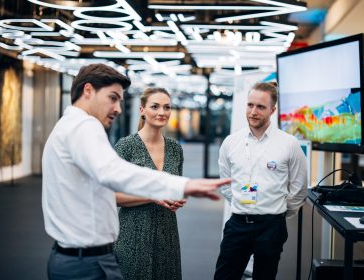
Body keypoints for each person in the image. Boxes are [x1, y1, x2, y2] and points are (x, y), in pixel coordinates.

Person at [41, 63, 231, 280]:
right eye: (112, 98)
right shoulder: (83, 127)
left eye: (119, 101)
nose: (118, 109)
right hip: (86, 262)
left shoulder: (67, 126)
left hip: (81, 258)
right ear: (88, 90)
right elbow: (114, 173)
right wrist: (181, 186)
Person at [213, 82, 307, 280]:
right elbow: (226, 184)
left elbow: (299, 189)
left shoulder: (289, 144)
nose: (253, 112)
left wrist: (277, 212)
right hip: (237, 223)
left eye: (261, 107)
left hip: (271, 226)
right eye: (250, 105)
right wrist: (243, 204)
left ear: (272, 110)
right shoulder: (231, 142)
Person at [114, 87, 185, 280]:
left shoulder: (175, 148)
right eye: (155, 106)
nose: (162, 112)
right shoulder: (126, 146)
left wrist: (176, 198)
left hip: (167, 235)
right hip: (133, 235)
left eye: (166, 107)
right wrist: (153, 196)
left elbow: (175, 187)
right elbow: (113, 196)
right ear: (142, 110)